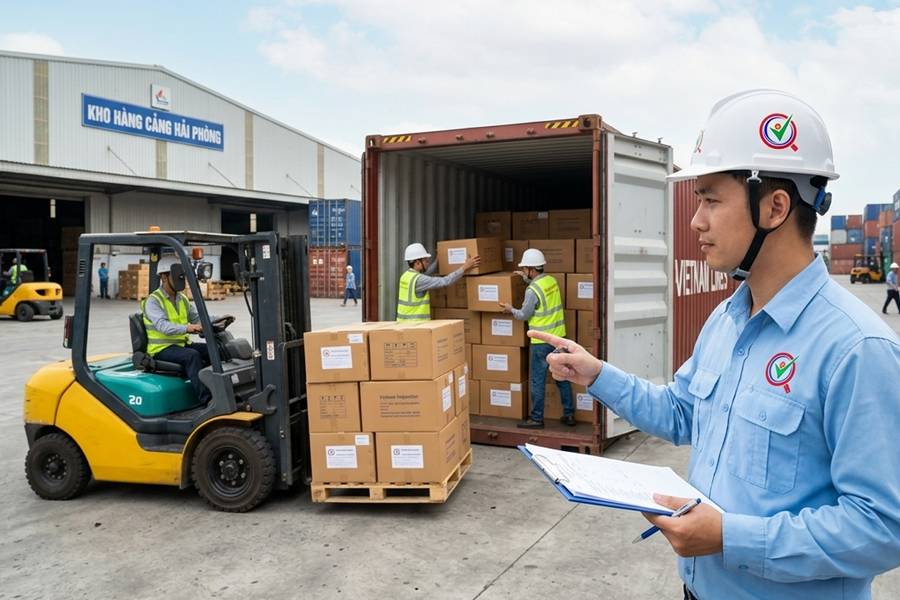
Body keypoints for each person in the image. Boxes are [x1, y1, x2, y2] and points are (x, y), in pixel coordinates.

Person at [531, 90, 900, 600]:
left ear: (774, 207)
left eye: (710, 199)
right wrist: (596, 375)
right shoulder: (727, 318)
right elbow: (683, 413)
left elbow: (883, 529)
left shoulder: (858, 350)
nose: (695, 222)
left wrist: (730, 537)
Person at [141, 255, 234, 407]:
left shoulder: (182, 299)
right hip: (161, 349)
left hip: (181, 345)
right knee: (192, 356)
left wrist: (220, 319)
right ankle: (208, 400)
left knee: (216, 349)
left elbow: (198, 318)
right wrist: (188, 328)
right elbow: (163, 326)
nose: (181, 279)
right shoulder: (153, 300)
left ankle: (226, 390)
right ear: (164, 277)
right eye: (178, 275)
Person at [498, 249, 575, 428]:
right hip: (559, 339)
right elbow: (541, 292)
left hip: (541, 343)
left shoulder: (531, 290)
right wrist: (522, 276)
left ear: (532, 269)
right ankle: (569, 415)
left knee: (537, 381)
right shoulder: (551, 281)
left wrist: (511, 309)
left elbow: (524, 314)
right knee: (562, 378)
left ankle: (537, 418)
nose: (524, 272)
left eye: (525, 269)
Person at [396, 242, 481, 321]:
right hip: (416, 325)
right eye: (426, 260)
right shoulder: (420, 280)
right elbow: (445, 281)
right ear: (418, 263)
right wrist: (465, 266)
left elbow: (426, 274)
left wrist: (436, 262)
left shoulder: (406, 276)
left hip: (403, 324)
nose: (428, 263)